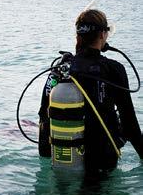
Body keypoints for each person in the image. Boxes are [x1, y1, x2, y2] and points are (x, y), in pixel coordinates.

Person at [38, 9, 143, 173]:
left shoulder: (60, 70)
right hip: (102, 161)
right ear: (102, 34)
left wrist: (45, 153)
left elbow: (43, 115)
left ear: (78, 36)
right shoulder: (113, 69)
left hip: (65, 160)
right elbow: (130, 124)